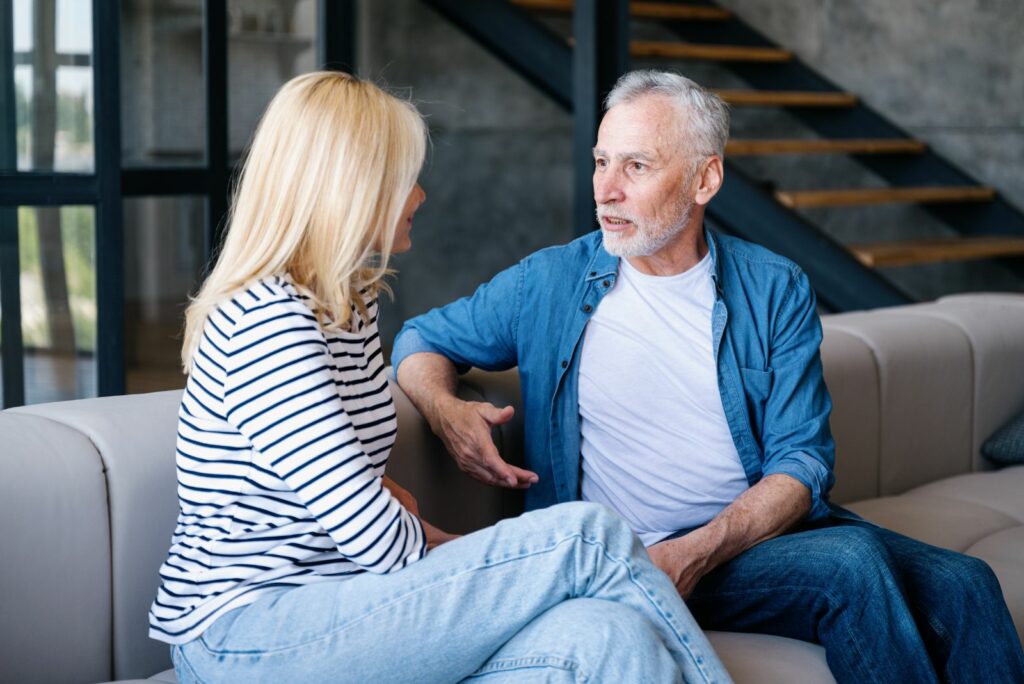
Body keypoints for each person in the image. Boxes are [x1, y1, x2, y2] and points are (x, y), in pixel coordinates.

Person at [392, 70, 1024, 684]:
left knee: (970, 584)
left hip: (742, 541)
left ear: (705, 179)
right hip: (625, 555)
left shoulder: (773, 287)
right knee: (850, 567)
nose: (605, 190)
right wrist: (445, 409)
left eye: (635, 166)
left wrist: (700, 550)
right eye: (601, 161)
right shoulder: (549, 282)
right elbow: (421, 339)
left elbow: (802, 461)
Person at [148, 71, 730, 684]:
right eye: (404, 178)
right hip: (250, 638)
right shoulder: (269, 319)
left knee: (607, 636)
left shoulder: (349, 307)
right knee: (587, 539)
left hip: (353, 611)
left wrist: (480, 558)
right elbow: (371, 529)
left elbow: (364, 512)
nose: (421, 195)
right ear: (350, 187)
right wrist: (522, 564)